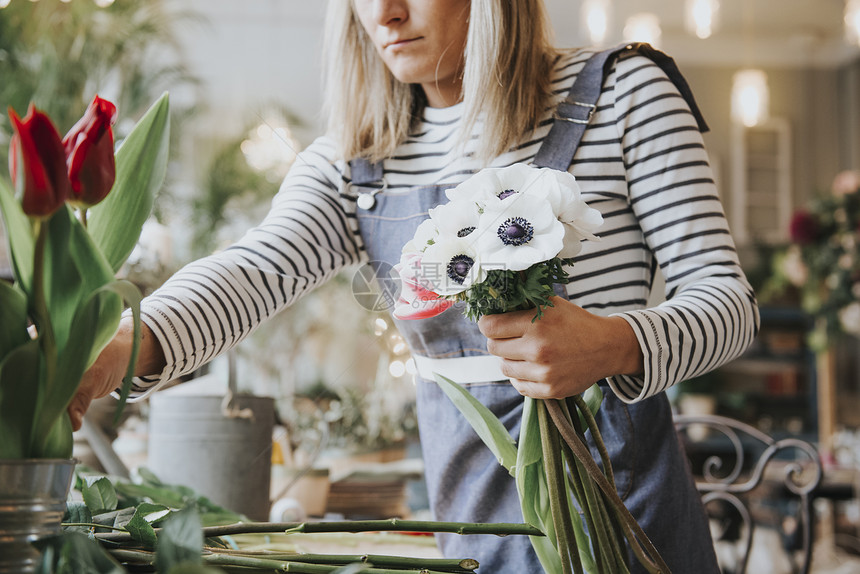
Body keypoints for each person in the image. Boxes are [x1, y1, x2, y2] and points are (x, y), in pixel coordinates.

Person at [69, 1, 759, 572]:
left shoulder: (624, 94)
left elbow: (729, 305)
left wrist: (614, 343)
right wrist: (120, 346)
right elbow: (256, 270)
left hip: (624, 519)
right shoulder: (356, 158)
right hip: (471, 528)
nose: (386, 15)